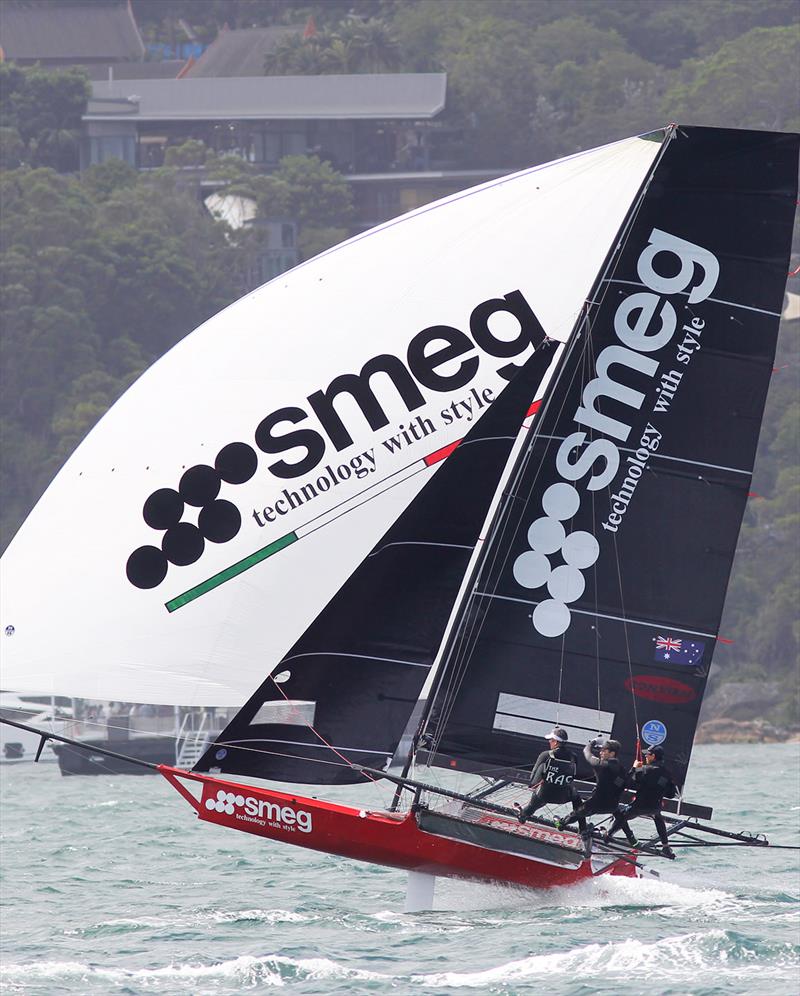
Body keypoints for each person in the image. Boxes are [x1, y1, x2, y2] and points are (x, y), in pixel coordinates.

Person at [605, 744, 677, 857]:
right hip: (655, 807)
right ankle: (666, 847)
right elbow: (671, 794)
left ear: (653, 756)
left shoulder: (644, 769)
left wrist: (635, 769)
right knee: (658, 817)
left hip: (639, 806)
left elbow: (630, 784)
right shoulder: (667, 773)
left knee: (621, 815)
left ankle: (608, 835)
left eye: (647, 755)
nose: (645, 757)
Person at [557, 738, 628, 835]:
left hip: (595, 805)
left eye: (604, 750)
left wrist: (592, 742)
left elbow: (586, 752)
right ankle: (624, 837)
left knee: (576, 814)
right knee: (619, 815)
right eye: (600, 750)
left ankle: (561, 824)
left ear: (612, 753)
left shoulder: (601, 764)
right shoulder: (622, 769)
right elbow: (622, 784)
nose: (600, 752)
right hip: (612, 807)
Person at [515, 728, 578, 823]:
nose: (549, 742)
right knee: (578, 800)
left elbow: (533, 779)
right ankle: (582, 829)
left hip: (544, 794)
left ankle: (523, 815)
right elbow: (572, 776)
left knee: (536, 801)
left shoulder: (545, 755)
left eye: (551, 740)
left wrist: (535, 783)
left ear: (556, 742)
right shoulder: (574, 757)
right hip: (563, 797)